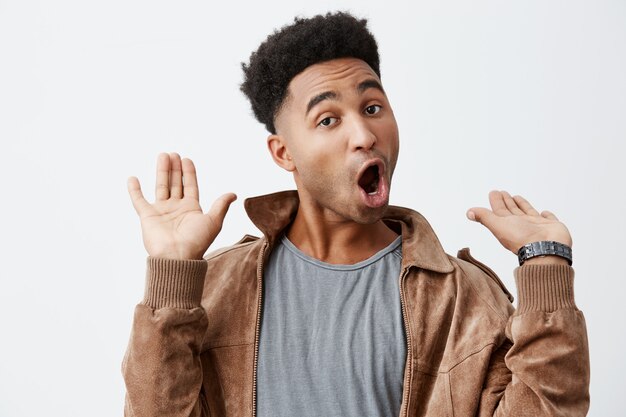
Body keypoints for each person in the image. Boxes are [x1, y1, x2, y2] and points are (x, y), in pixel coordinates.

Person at [122, 11, 590, 417]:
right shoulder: (214, 287)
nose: (365, 134)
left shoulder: (463, 298)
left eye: (372, 107)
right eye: (329, 119)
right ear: (284, 153)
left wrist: (546, 268)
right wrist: (172, 274)